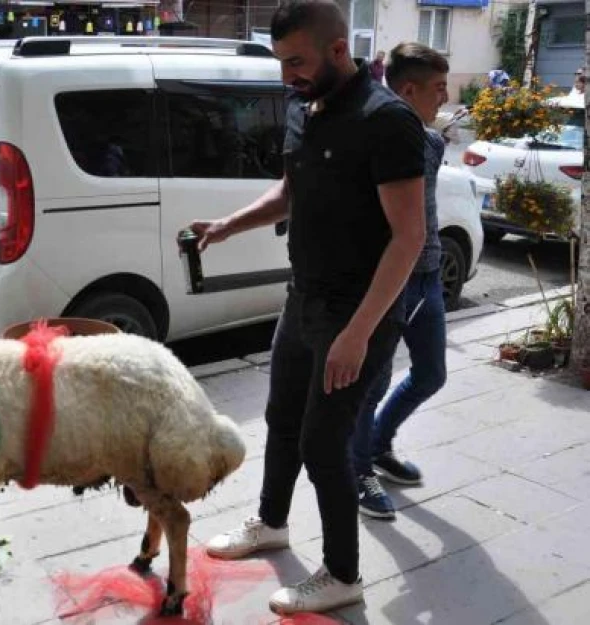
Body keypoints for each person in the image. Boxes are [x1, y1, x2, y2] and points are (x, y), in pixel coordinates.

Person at [195, 0, 426, 615]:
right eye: (280, 63)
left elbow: (410, 239)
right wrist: (228, 224)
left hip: (358, 312)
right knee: (281, 420)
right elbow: (291, 193)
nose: (285, 76)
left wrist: (357, 334)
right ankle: (272, 522)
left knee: (325, 445)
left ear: (338, 50)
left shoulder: (387, 121)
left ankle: (342, 574)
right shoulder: (306, 108)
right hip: (304, 298)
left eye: (295, 62)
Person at [350, 43, 449, 521]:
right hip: (393, 277)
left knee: (431, 373)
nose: (444, 99)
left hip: (428, 274)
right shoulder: (379, 135)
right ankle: (358, 467)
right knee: (375, 379)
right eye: (437, 89)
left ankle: (378, 443)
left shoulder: (431, 141)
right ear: (408, 89)